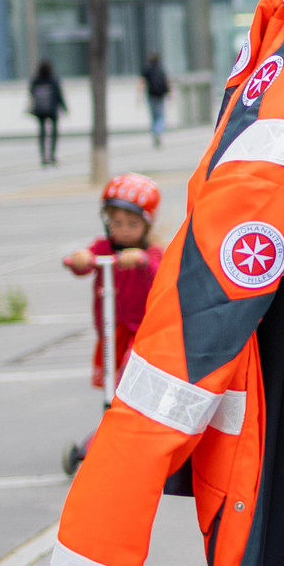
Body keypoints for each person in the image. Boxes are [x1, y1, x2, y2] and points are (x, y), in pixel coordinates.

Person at [60, 174, 166, 474]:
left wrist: (142, 260)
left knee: (129, 382)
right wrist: (80, 259)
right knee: (112, 381)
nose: (124, 231)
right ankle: (112, 433)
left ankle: (131, 433)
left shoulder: (151, 252)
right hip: (112, 331)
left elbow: (160, 270)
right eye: (117, 223)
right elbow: (84, 261)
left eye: (132, 224)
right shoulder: (104, 248)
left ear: (147, 224)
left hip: (143, 332)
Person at [29, 59, 65, 165]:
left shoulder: (36, 80)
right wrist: (63, 107)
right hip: (52, 110)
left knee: (42, 133)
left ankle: (43, 157)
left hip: (40, 110)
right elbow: (59, 95)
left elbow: (31, 93)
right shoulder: (54, 79)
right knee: (54, 132)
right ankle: (53, 155)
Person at [140, 52, 170, 147]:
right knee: (160, 116)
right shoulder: (161, 69)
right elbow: (167, 81)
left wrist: (138, 96)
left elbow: (141, 82)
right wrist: (170, 94)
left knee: (153, 117)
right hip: (160, 96)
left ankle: (155, 133)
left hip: (151, 95)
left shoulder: (146, 70)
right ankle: (158, 132)